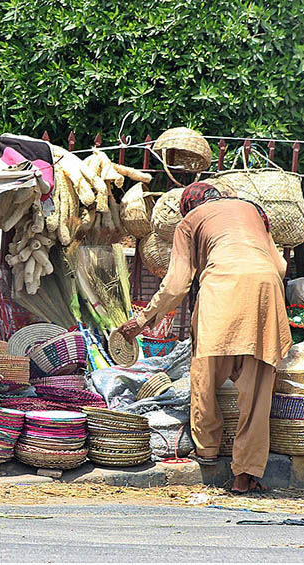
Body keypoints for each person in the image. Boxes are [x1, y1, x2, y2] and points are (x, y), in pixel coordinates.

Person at [117, 182, 292, 494]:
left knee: (205, 377)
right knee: (256, 392)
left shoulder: (190, 221)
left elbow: (176, 285)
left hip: (221, 291)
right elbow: (279, 265)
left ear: (188, 206)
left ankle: (207, 451)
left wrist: (141, 321)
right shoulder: (252, 210)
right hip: (266, 289)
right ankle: (245, 475)